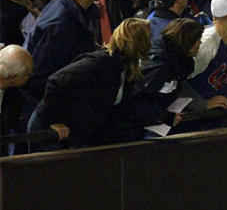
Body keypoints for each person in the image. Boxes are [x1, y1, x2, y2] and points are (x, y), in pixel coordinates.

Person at [27, 17, 152, 150]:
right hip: (51, 129)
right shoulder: (100, 63)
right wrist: (53, 121)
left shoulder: (126, 70)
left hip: (72, 132)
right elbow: (56, 81)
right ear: (139, 42)